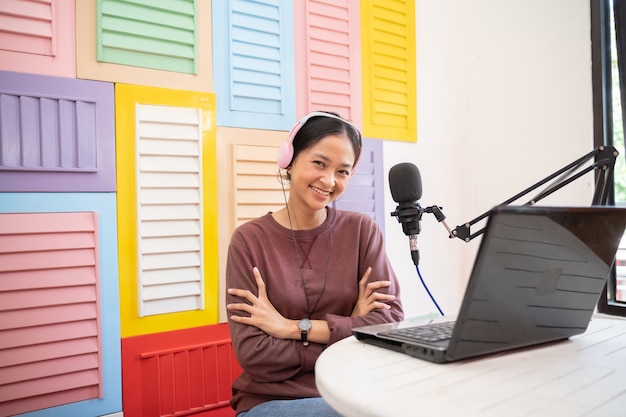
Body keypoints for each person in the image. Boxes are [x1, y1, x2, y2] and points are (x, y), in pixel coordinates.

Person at [225, 111, 404, 416]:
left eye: (343, 171)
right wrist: (352, 325)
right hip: (271, 400)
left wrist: (291, 328)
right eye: (319, 163)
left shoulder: (362, 231)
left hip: (352, 389)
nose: (329, 180)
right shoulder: (248, 241)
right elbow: (255, 355)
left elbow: (389, 326)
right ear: (290, 159)